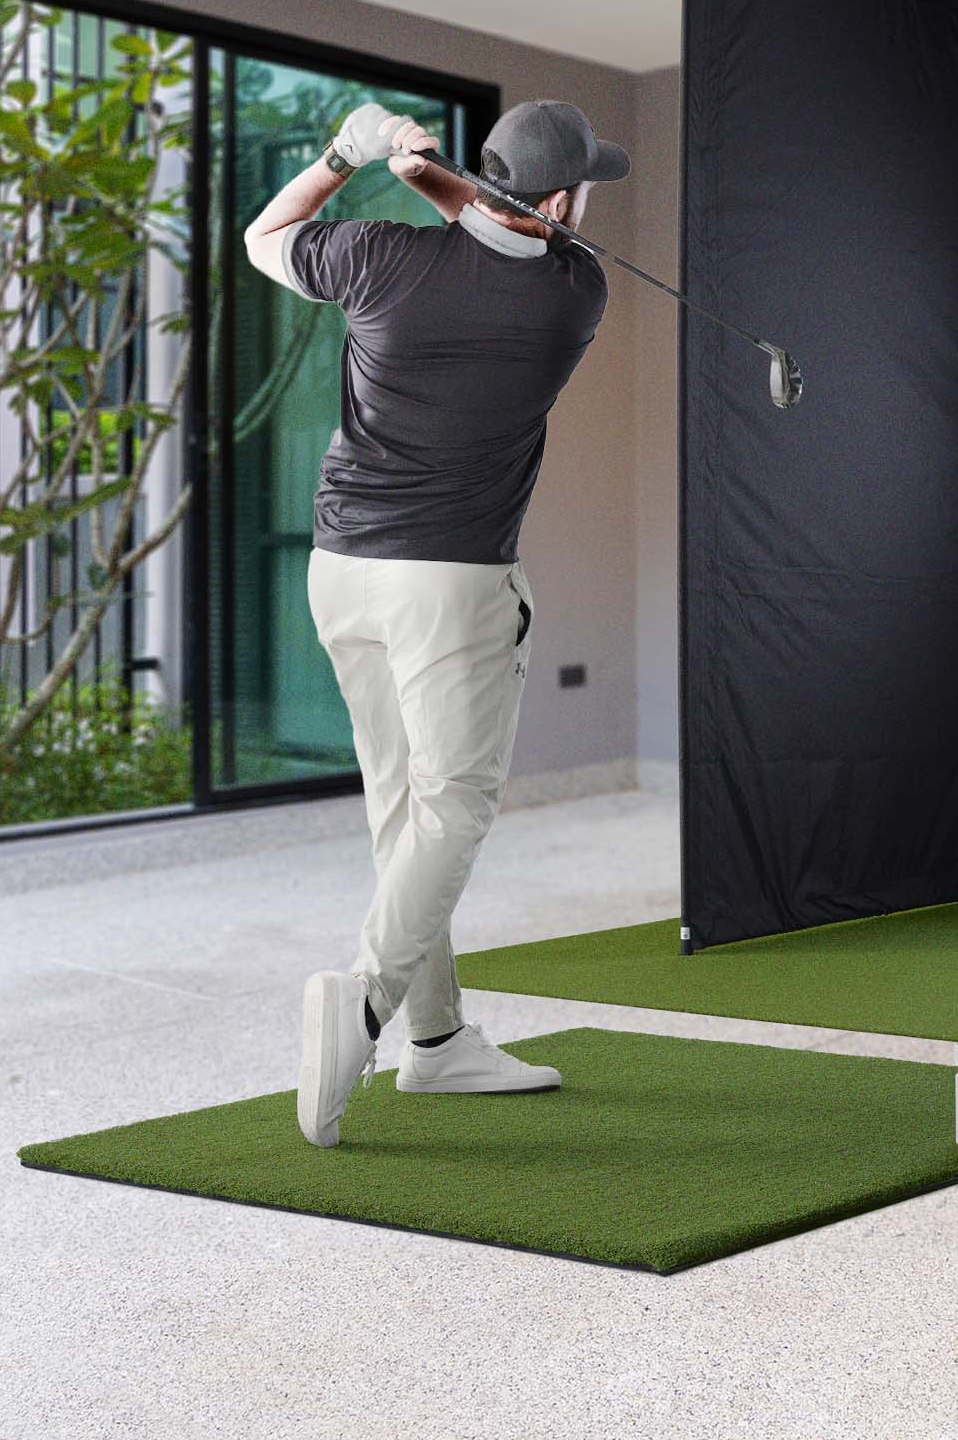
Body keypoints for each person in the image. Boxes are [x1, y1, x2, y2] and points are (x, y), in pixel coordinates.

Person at [242, 97, 628, 1147]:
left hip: (341, 574)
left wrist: (352, 156)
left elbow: (263, 236)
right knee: (452, 812)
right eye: (582, 186)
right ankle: (363, 1006)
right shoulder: (572, 294)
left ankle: (440, 1041)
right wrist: (427, 175)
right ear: (558, 200)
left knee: (400, 811)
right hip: (450, 587)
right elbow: (510, 236)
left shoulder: (374, 257)